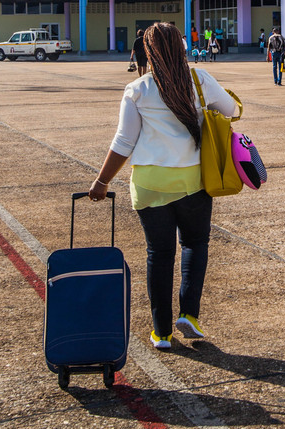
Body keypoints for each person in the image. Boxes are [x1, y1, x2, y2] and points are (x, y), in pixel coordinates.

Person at [87, 22, 238, 349]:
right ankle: (190, 314)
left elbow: (124, 142)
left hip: (150, 185)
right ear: (182, 47)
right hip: (194, 182)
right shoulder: (200, 81)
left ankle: (162, 332)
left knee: (159, 254)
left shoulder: (137, 89)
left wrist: (102, 181)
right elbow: (232, 110)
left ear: (149, 51)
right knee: (195, 245)